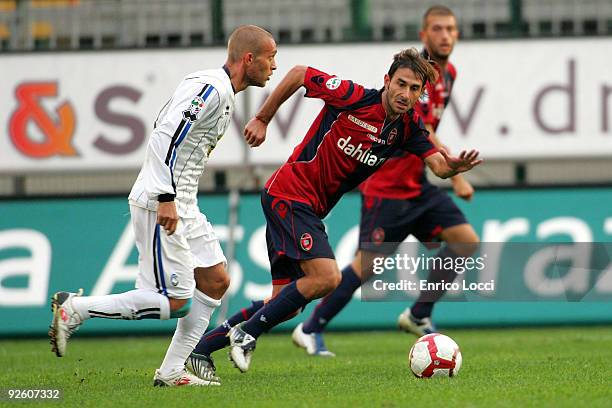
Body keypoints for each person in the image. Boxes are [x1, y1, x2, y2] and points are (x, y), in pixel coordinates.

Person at [186, 47, 482, 379]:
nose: (405, 94)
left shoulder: (408, 127)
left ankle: (200, 350)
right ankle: (246, 333)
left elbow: (437, 165)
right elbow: (299, 73)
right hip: (289, 193)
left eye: (415, 90)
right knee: (327, 277)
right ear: (387, 80)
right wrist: (263, 118)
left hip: (308, 208)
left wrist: (453, 167)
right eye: (401, 84)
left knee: (287, 301)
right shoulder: (353, 97)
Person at [48, 25, 277, 387]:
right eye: (270, 57)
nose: (274, 66)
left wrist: (177, 197)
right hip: (163, 201)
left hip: (184, 201)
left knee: (216, 280)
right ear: (249, 58)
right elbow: (164, 134)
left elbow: (165, 126)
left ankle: (172, 371)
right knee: (174, 303)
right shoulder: (211, 89)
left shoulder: (219, 89)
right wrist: (166, 196)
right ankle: (73, 309)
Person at [291, 5, 480, 356]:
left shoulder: (448, 74)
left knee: (465, 241)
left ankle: (419, 313)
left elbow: (429, 131)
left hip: (418, 186)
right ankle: (309, 326)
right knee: (368, 266)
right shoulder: (412, 78)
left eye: (451, 29)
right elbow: (423, 131)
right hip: (388, 186)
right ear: (423, 35)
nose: (445, 35)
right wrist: (455, 178)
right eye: (437, 29)